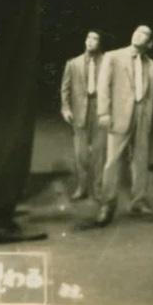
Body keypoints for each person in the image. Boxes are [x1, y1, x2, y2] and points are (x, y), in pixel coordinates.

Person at [95, 25, 153, 225]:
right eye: (137, 31)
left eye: (144, 33)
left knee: (140, 160)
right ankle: (107, 205)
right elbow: (103, 86)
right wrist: (103, 112)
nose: (138, 34)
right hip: (118, 116)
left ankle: (138, 201)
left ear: (150, 43)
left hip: (143, 117)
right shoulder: (113, 57)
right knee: (112, 161)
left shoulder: (152, 66)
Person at [60, 30, 105, 201]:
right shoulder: (73, 63)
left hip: (100, 111)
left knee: (100, 152)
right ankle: (82, 187)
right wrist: (66, 108)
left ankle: (98, 188)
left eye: (95, 38)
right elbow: (65, 88)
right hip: (80, 111)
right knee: (81, 152)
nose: (90, 41)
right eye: (88, 37)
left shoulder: (108, 62)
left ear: (100, 43)